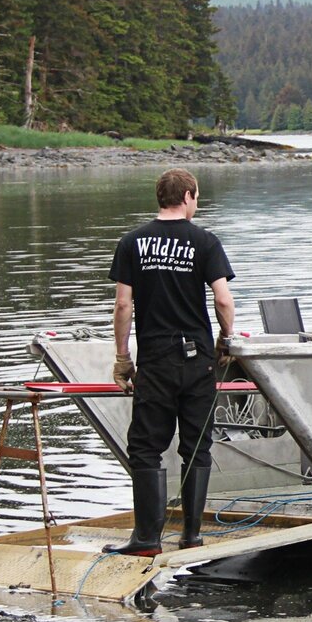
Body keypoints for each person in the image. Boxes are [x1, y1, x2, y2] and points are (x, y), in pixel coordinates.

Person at [105, 168, 236, 556]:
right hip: (197, 360)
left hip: (156, 360)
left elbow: (123, 304)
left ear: (159, 197)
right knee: (197, 445)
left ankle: (147, 539)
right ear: (189, 196)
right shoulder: (205, 242)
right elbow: (224, 300)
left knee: (146, 447)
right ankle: (192, 535)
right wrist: (226, 340)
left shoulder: (132, 242)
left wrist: (122, 359)